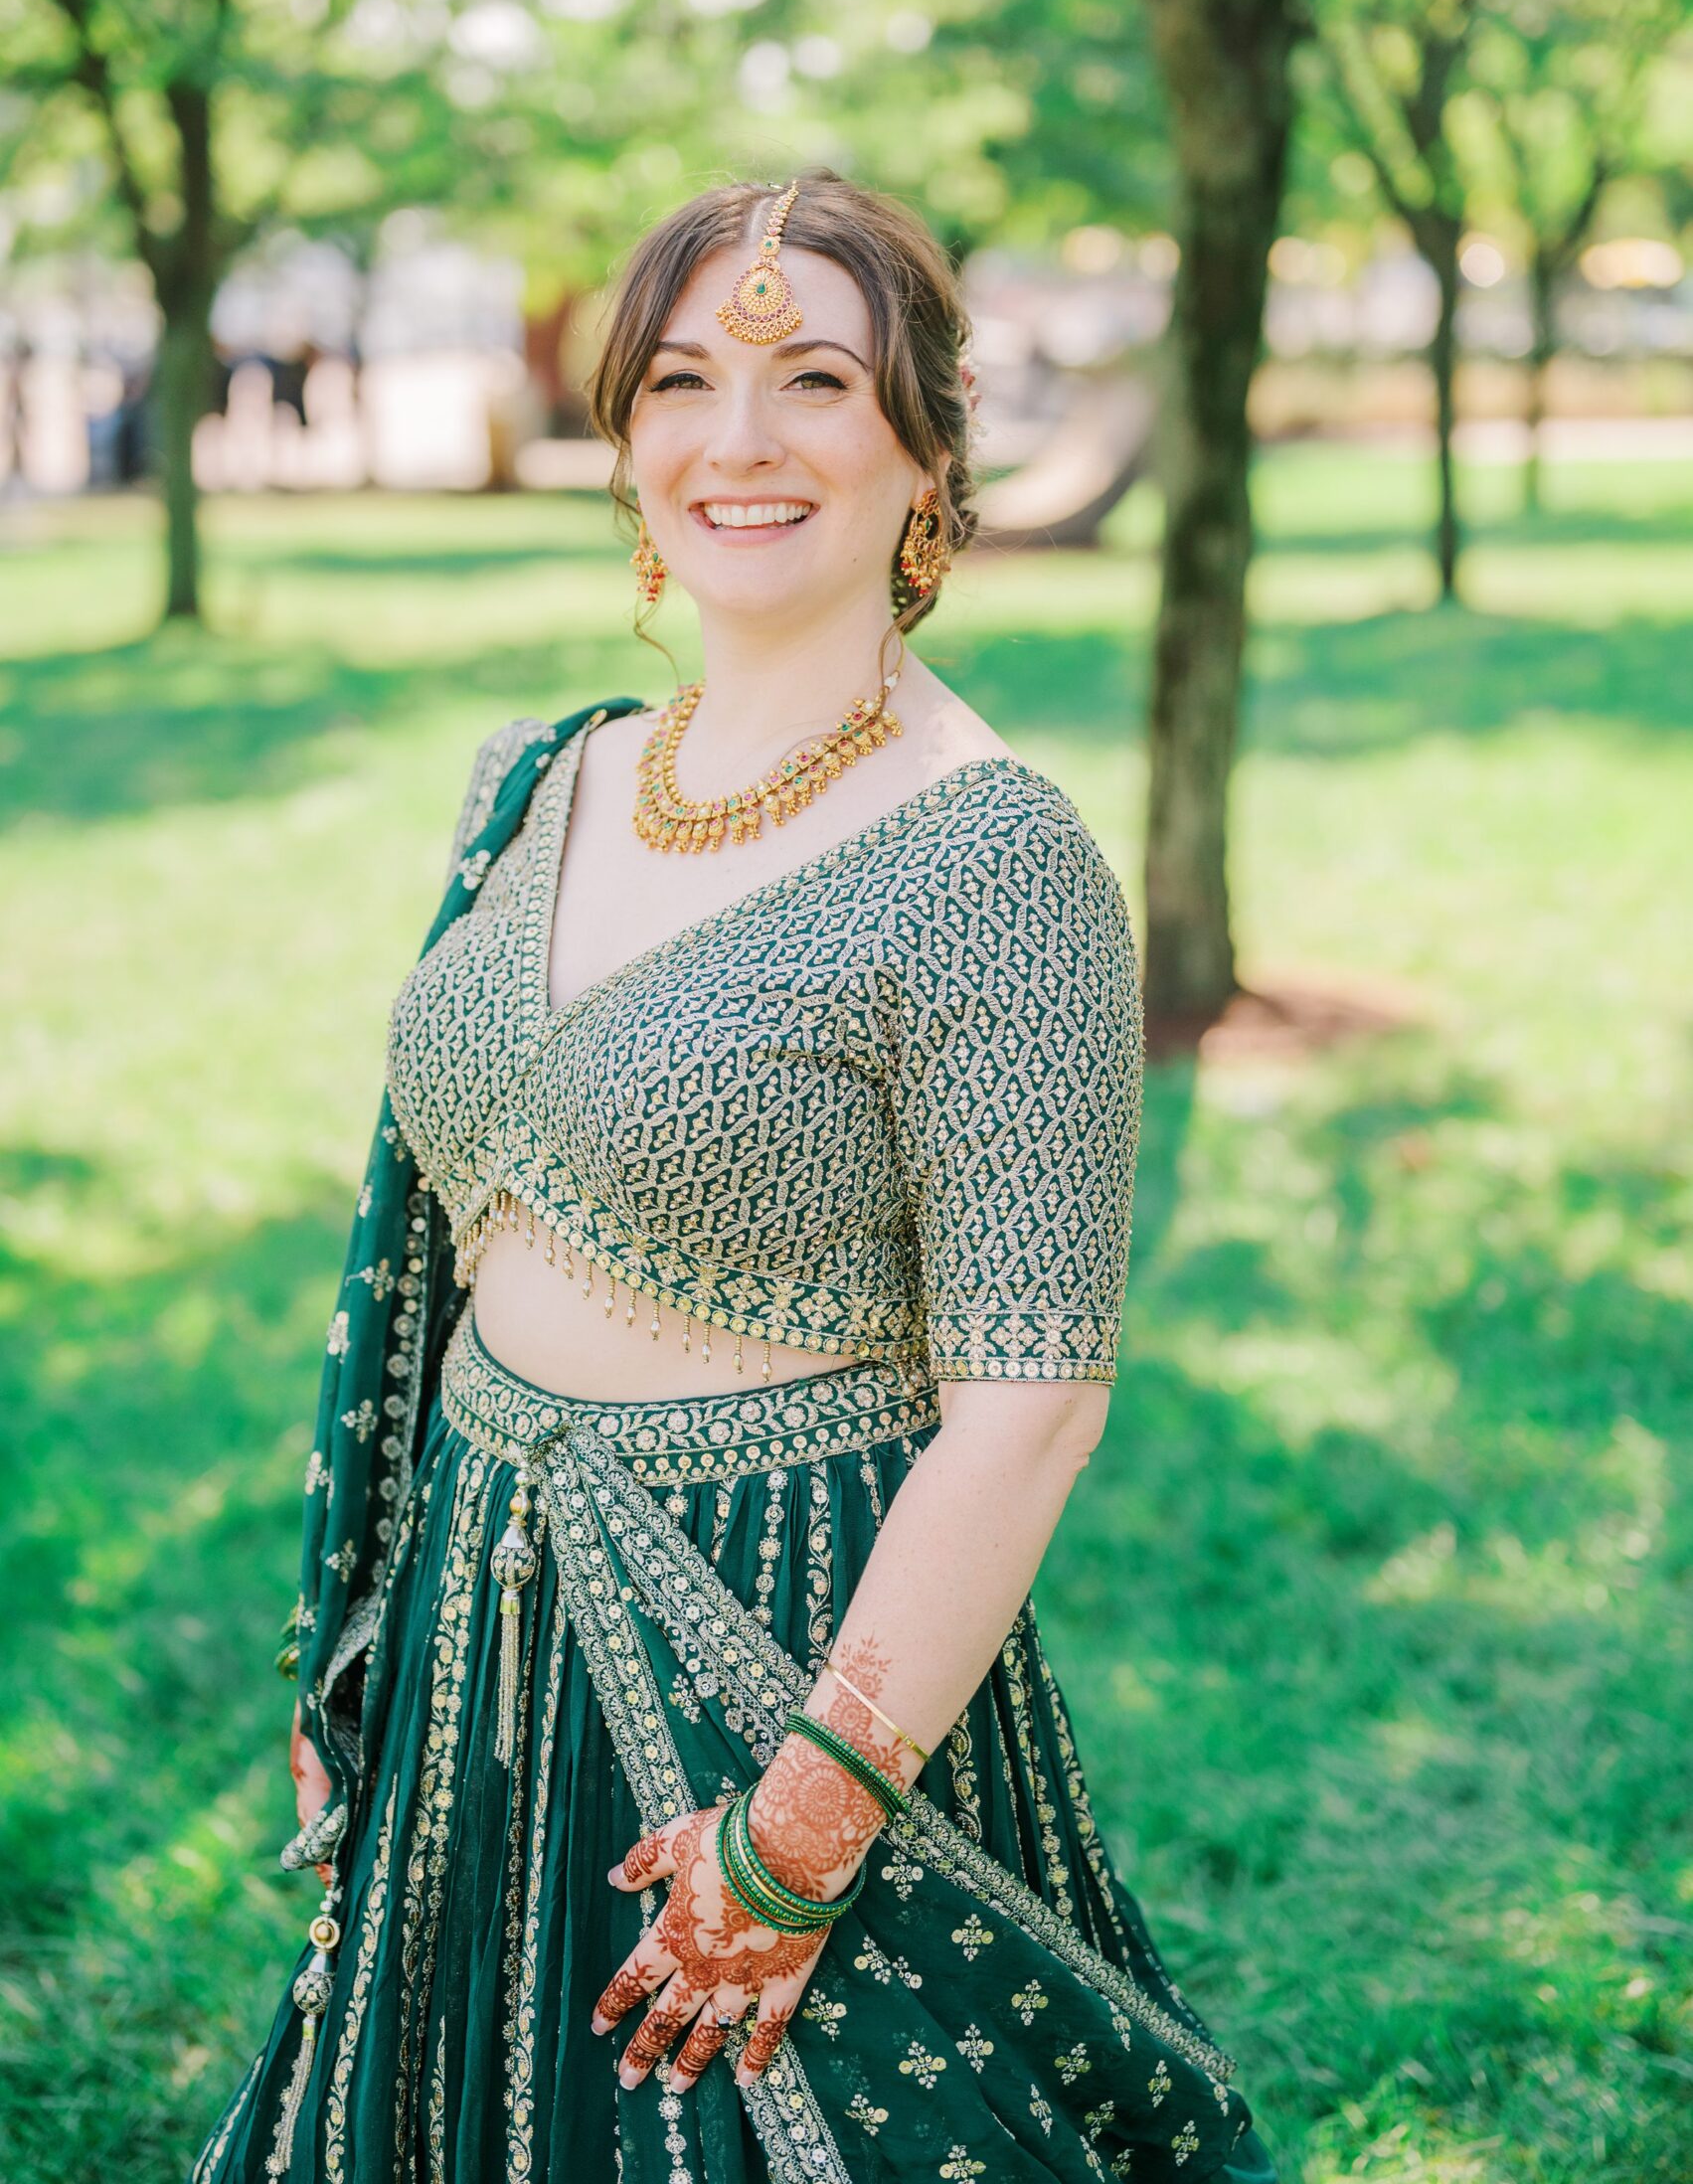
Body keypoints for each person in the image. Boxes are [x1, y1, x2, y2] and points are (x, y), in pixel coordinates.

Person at [193, 170, 1274, 2184]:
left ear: (925, 448)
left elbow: (1029, 1413)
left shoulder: (995, 863)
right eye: (681, 379)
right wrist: (379, 1604)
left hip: (779, 1634)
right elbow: (432, 1246)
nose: (738, 438)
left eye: (815, 378)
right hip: (477, 1622)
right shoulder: (542, 778)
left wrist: (803, 1826)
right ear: (624, 441)